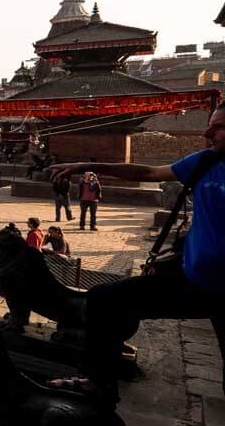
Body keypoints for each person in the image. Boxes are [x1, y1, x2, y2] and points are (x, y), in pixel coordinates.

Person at [45, 103, 225, 405]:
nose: (207, 133)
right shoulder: (205, 162)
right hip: (194, 280)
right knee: (105, 297)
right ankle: (97, 381)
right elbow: (147, 171)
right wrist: (87, 166)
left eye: (218, 127)